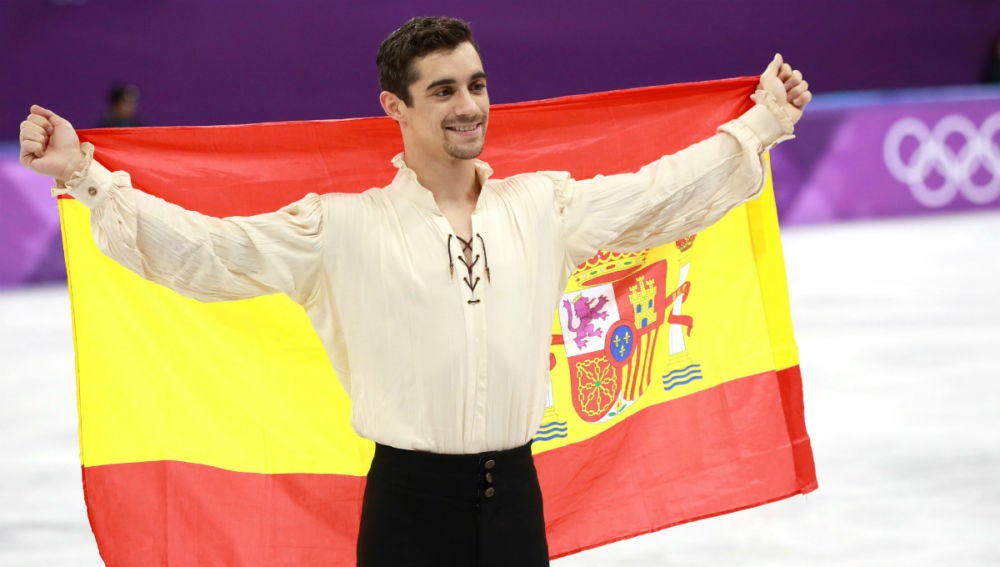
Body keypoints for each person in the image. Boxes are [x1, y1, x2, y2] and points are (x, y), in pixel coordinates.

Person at [18, 16, 810, 567]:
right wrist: (84, 177)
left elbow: (656, 194)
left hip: (515, 505)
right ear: (394, 107)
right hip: (407, 511)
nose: (468, 106)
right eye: (442, 91)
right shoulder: (338, 227)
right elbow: (208, 251)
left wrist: (762, 125)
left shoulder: (545, 207)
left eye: (476, 84)